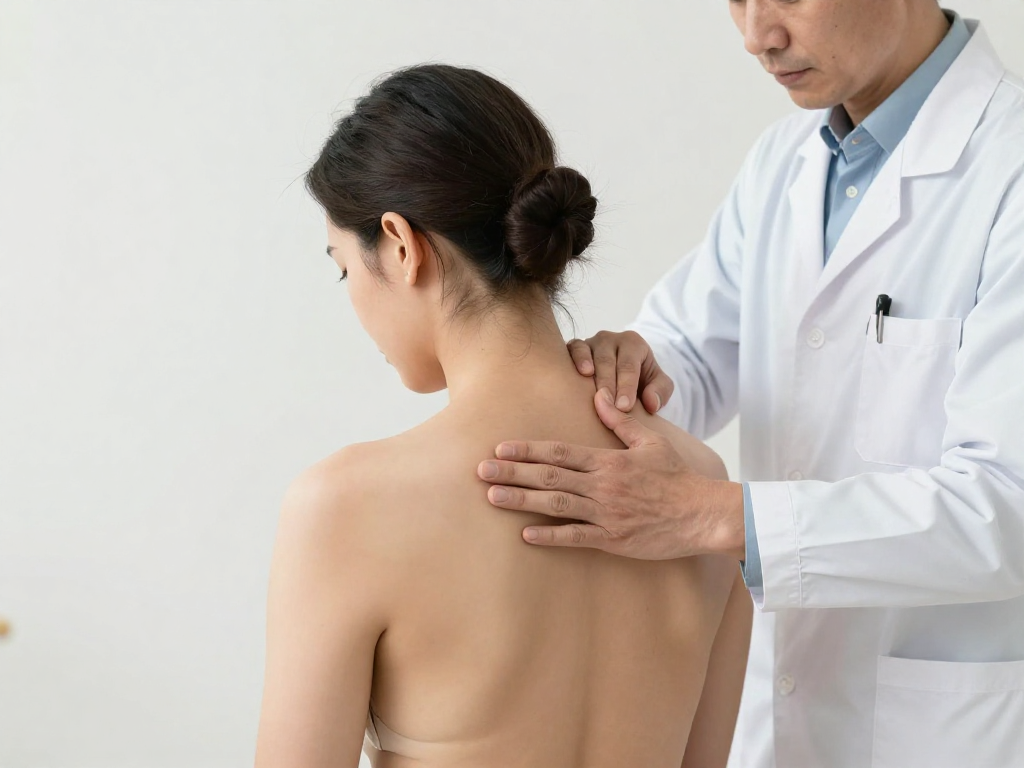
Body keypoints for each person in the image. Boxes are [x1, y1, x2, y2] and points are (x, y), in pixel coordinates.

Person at [477, 2, 1024, 767]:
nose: (756, 36)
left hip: (947, 735)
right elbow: (692, 356)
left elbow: (1005, 505)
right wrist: (630, 370)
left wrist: (710, 516)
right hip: (772, 714)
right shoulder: (785, 161)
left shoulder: (1009, 169)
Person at [254, 64, 752, 768]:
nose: (352, 298)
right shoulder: (702, 489)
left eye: (345, 267)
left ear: (400, 245)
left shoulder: (345, 504)